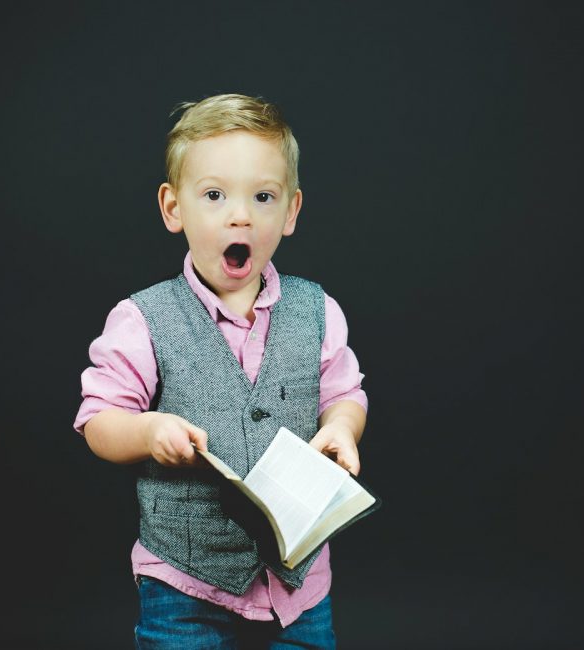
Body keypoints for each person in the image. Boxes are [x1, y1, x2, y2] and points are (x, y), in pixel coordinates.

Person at [73, 93, 368, 649]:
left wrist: (342, 428)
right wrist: (146, 430)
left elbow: (345, 392)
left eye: (263, 196)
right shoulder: (143, 319)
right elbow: (98, 421)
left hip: (298, 581)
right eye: (214, 195)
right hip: (186, 583)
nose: (241, 215)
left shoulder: (317, 311)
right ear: (173, 208)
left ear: (291, 212)